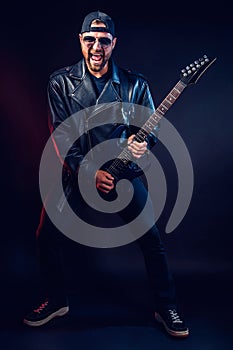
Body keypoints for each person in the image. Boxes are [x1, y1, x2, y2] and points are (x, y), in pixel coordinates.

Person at [23, 10, 189, 338]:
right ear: (80, 42)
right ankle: (57, 300)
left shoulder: (135, 84)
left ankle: (165, 305)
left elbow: (148, 131)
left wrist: (144, 143)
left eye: (103, 40)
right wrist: (88, 172)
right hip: (76, 170)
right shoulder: (60, 83)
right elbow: (60, 135)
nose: (96, 46)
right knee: (46, 237)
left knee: (151, 240)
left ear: (114, 43)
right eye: (90, 39)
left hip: (121, 171)